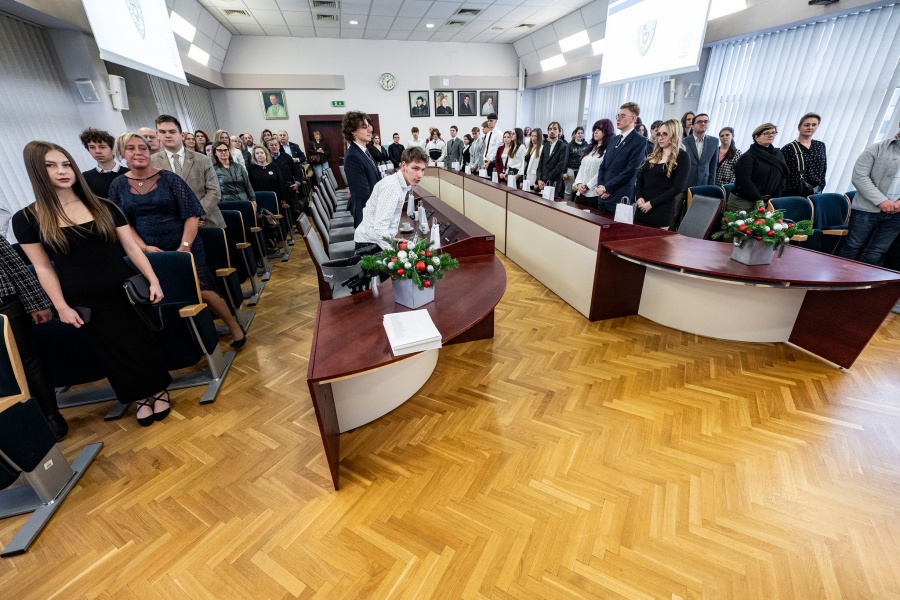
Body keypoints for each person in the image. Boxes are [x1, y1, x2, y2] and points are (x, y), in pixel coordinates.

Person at [13, 141, 172, 427]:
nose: (62, 171)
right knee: (111, 351)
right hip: (84, 300)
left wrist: (153, 279)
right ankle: (138, 398)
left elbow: (132, 248)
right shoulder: (27, 218)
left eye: (66, 164)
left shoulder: (103, 206)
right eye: (51, 166)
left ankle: (159, 390)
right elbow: (43, 267)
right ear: (37, 171)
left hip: (124, 290)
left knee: (142, 342)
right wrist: (61, 306)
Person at [108, 133, 246, 349]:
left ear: (149, 151)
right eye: (131, 148)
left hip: (184, 242)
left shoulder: (169, 179)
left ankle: (234, 326)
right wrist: (144, 247)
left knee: (202, 288)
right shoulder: (118, 185)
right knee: (165, 292)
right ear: (121, 153)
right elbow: (124, 224)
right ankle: (190, 339)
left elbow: (192, 214)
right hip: (149, 248)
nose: (138, 153)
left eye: (142, 148)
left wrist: (184, 247)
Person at [0, 235, 68, 440]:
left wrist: (37, 303)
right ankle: (16, 423)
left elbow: (15, 267)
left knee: (27, 361)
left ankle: (50, 415)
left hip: (5, 303)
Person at [837, 123, 900, 265]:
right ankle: (840, 277)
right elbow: (859, 177)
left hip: (897, 214)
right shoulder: (877, 148)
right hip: (866, 209)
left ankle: (862, 279)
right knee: (852, 246)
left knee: (877, 251)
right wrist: (881, 201)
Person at [150, 115, 224, 229]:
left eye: (172, 131)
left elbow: (214, 192)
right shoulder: (151, 162)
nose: (167, 135)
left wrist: (195, 215)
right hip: (174, 225)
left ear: (182, 135)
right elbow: (153, 196)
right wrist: (179, 219)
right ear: (157, 134)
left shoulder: (203, 159)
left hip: (206, 221)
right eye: (162, 132)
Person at [354, 147, 429, 249]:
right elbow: (380, 227)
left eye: (422, 170)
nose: (420, 175)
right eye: (415, 168)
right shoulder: (392, 187)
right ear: (404, 165)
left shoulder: (400, 184)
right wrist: (394, 250)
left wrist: (393, 240)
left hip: (375, 241)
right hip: (369, 245)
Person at [634, 119, 690, 228]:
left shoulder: (682, 157)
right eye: (659, 134)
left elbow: (678, 187)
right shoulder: (654, 155)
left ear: (674, 135)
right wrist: (639, 197)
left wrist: (651, 203)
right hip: (642, 207)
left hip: (662, 210)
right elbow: (640, 178)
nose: (660, 138)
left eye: (665, 134)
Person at [595, 102, 648, 212]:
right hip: (602, 196)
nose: (618, 119)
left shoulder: (640, 141)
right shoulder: (613, 139)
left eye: (622, 116)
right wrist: (600, 186)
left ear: (633, 118)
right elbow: (603, 165)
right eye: (618, 116)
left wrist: (607, 188)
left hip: (620, 196)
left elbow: (630, 171)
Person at [728, 123, 789, 213]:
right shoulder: (748, 156)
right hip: (744, 202)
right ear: (756, 137)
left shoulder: (778, 154)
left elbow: (784, 174)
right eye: (767, 133)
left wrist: (776, 196)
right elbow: (744, 181)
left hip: (768, 201)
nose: (771, 135)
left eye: (773, 132)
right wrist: (759, 200)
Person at [343, 111, 381, 227]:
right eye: (364, 127)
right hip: (367, 214)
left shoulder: (363, 150)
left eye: (369, 126)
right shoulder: (353, 156)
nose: (370, 130)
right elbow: (363, 194)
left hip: (373, 210)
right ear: (353, 131)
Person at [781, 112, 827, 196]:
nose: (810, 127)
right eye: (807, 125)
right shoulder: (788, 148)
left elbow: (823, 168)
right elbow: (782, 173)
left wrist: (821, 185)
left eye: (814, 125)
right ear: (799, 127)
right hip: (794, 192)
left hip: (816, 191)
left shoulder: (820, 145)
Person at [573, 119, 614, 209]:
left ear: (607, 132)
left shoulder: (609, 150)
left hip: (594, 193)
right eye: (595, 129)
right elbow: (582, 168)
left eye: (599, 129)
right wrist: (579, 183)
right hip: (581, 192)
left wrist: (588, 186)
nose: (595, 132)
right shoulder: (591, 148)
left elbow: (602, 172)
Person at [79, 127, 129, 198]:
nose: (97, 151)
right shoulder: (85, 177)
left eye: (102, 147)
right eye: (92, 147)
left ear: (113, 149)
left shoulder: (128, 173)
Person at [266, 138, 303, 213]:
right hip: (276, 190)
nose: (274, 147)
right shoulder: (267, 159)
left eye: (276, 145)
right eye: (271, 145)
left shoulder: (286, 156)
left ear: (279, 146)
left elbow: (296, 171)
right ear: (268, 147)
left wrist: (297, 183)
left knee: (295, 211)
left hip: (289, 187)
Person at [213, 141, 256, 206]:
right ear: (215, 153)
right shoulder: (214, 169)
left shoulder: (239, 167)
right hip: (227, 203)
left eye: (225, 150)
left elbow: (248, 185)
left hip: (244, 201)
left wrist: (253, 200)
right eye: (220, 150)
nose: (224, 152)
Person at [683, 113, 718, 187]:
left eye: (706, 122)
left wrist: (711, 186)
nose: (703, 124)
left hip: (703, 183)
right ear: (692, 126)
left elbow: (713, 166)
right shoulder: (683, 142)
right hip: (685, 183)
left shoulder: (714, 141)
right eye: (699, 122)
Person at [537, 122, 566, 197]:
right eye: (550, 129)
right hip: (542, 183)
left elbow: (559, 167)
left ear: (559, 131)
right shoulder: (545, 145)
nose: (552, 131)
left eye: (555, 129)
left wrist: (545, 179)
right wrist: (539, 179)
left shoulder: (563, 146)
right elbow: (540, 164)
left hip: (554, 184)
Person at [563, 127, 588, 201]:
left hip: (581, 171)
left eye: (582, 133)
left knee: (578, 191)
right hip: (570, 170)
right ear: (575, 134)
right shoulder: (569, 145)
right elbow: (566, 159)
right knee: (568, 191)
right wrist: (564, 172)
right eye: (578, 133)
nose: (580, 135)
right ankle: (566, 205)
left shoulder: (586, 144)